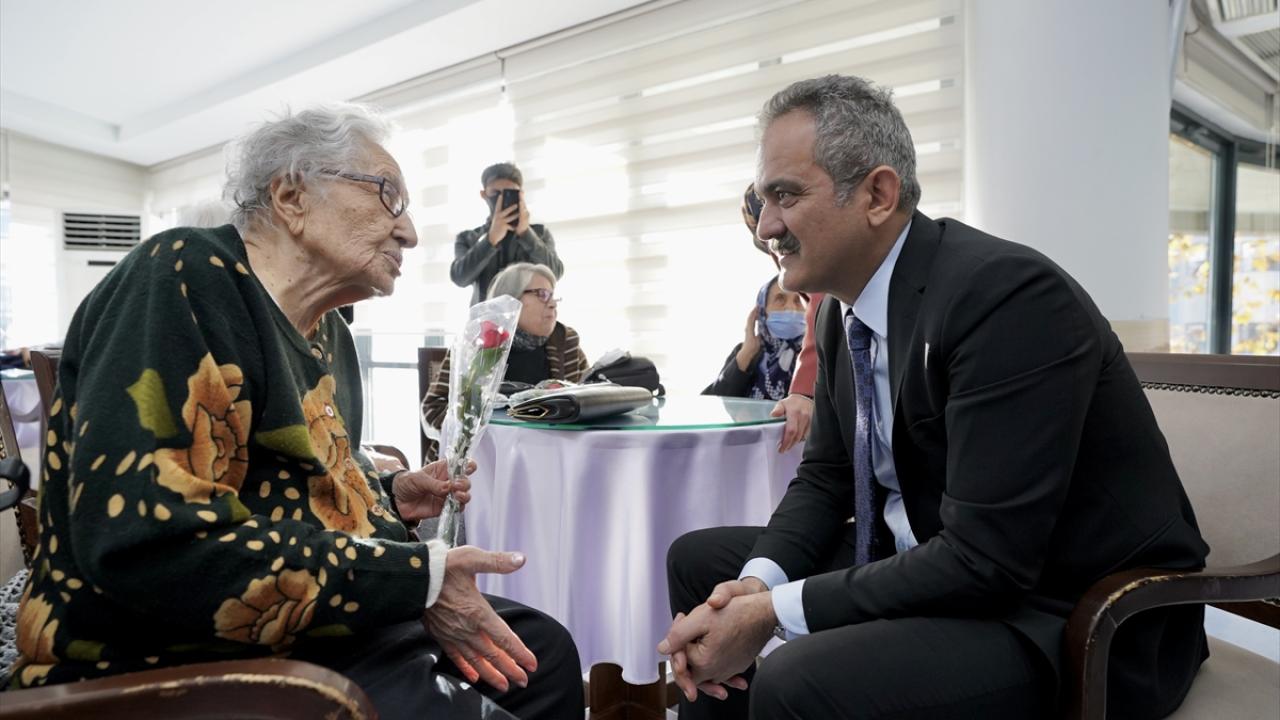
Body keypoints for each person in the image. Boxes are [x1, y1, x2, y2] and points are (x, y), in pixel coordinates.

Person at [660, 75, 1209, 719]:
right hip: (936, 557)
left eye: (785, 195)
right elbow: (827, 478)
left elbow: (987, 560)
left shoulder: (1006, 297)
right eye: (762, 199)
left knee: (795, 679)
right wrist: (753, 590)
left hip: (1065, 611)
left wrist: (772, 612)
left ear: (877, 194)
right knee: (704, 565)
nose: (765, 226)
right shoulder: (839, 313)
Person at [9, 104, 583, 720]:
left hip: (314, 624)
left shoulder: (326, 332)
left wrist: (386, 495)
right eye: (389, 196)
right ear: (291, 196)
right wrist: (417, 578)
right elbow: (151, 547)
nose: (411, 233)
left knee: (544, 653)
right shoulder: (183, 275)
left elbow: (286, 488)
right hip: (167, 655)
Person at [423, 262, 587, 444]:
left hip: (551, 449)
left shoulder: (565, 341)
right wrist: (475, 436)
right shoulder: (478, 340)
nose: (553, 304)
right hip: (484, 453)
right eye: (542, 294)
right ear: (511, 298)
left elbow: (588, 398)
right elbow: (433, 408)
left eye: (553, 296)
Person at [743, 183, 820, 452]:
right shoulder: (755, 352)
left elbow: (821, 302)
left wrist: (802, 391)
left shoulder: (816, 256)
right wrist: (745, 354)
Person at [450, 163, 564, 305]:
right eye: (495, 193)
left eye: (509, 193)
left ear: (521, 194)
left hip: (530, 316)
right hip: (486, 316)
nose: (501, 198)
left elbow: (555, 273)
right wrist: (490, 240)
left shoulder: (540, 233)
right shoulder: (468, 238)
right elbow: (460, 278)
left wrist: (526, 234)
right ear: (484, 195)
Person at [703, 276, 806, 400]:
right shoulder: (745, 351)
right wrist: (747, 353)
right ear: (761, 311)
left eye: (798, 300)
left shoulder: (814, 354)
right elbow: (713, 402)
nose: (791, 307)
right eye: (780, 299)